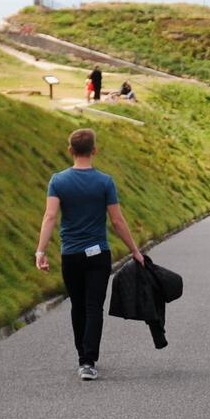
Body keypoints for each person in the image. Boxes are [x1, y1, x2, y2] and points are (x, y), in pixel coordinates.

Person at [35, 128, 144, 381]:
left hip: (70, 255)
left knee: (78, 305)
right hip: (98, 255)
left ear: (70, 150)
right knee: (94, 306)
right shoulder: (105, 182)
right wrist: (135, 250)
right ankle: (88, 361)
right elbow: (117, 221)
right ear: (94, 150)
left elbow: (50, 216)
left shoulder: (58, 181)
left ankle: (81, 356)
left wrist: (41, 250)